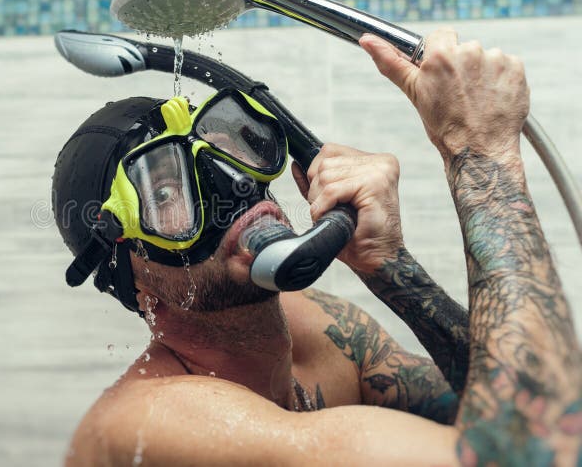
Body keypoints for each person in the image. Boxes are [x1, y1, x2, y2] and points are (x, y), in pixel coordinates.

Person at [54, 28, 582, 465]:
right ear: (132, 272)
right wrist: (480, 155)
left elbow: (533, 410)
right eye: (165, 191)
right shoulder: (158, 421)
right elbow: (534, 450)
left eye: (224, 144)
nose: (233, 184)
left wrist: (389, 265)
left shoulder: (315, 328)